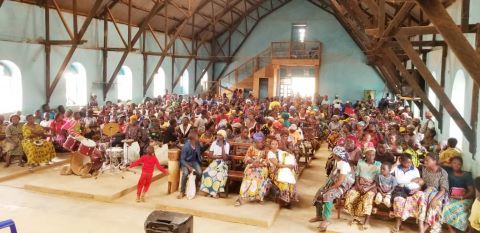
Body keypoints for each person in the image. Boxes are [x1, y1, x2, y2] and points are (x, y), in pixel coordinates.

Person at [392, 153, 448, 233]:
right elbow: (421, 183)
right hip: (425, 192)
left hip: (437, 194)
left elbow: (443, 190)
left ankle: (423, 229)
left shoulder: (442, 172)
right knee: (416, 200)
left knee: (434, 205)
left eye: (427, 160)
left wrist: (434, 199)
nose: (424, 161)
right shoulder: (424, 169)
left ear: (435, 161)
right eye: (424, 160)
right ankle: (404, 221)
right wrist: (417, 188)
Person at [310, 146, 354, 232]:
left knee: (328, 195)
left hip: (342, 185)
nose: (332, 155)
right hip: (334, 182)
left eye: (334, 154)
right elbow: (333, 176)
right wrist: (327, 186)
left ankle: (326, 220)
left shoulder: (344, 165)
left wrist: (330, 188)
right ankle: (319, 216)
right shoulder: (337, 161)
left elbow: (340, 182)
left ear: (338, 155)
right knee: (319, 192)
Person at [344, 147, 380, 230]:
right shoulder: (360, 162)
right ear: (365, 155)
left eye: (373, 155)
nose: (371, 157)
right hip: (359, 184)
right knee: (351, 195)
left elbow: (377, 180)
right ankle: (356, 217)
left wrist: (368, 188)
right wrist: (358, 185)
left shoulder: (378, 164)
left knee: (368, 198)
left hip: (371, 186)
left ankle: (366, 221)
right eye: (369, 155)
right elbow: (357, 175)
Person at [441, 157, 475, 233]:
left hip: (465, 198)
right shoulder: (448, 171)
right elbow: (438, 163)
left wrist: (461, 197)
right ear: (450, 164)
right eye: (454, 163)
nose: (456, 165)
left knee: (460, 211)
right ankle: (450, 229)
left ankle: (461, 230)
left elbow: (471, 191)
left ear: (462, 165)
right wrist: (446, 160)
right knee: (446, 207)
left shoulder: (466, 175)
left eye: (459, 164)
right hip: (452, 197)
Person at [235, 133, 269, 206]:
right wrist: (253, 163)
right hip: (252, 165)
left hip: (262, 167)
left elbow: (267, 161)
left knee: (259, 176)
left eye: (262, 142)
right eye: (260, 142)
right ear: (256, 142)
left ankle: (259, 197)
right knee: (249, 176)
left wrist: (259, 164)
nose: (262, 143)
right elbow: (246, 158)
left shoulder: (266, 150)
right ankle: (241, 197)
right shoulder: (251, 148)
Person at [267, 139, 298, 207]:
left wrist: (290, 161)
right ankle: (284, 199)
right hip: (274, 171)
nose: (275, 146)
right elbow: (277, 165)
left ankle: (289, 197)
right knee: (284, 179)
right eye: (273, 144)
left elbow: (287, 156)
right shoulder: (270, 154)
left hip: (282, 168)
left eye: (276, 144)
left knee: (289, 175)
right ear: (270, 145)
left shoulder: (280, 151)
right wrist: (288, 166)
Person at [200, 130, 230, 198]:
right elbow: (210, 155)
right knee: (206, 172)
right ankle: (210, 191)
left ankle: (214, 192)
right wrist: (219, 157)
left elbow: (225, 158)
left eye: (220, 135)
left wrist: (222, 146)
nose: (218, 136)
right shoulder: (214, 143)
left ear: (223, 136)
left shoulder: (227, 144)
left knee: (219, 174)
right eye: (217, 135)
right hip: (215, 162)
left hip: (223, 163)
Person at [177, 132, 203, 199]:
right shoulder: (186, 147)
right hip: (186, 162)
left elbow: (201, 149)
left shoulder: (197, 144)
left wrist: (207, 144)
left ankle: (195, 185)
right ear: (193, 139)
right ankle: (182, 192)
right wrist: (188, 167)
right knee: (185, 173)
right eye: (197, 136)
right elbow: (182, 160)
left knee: (200, 173)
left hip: (194, 162)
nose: (198, 137)